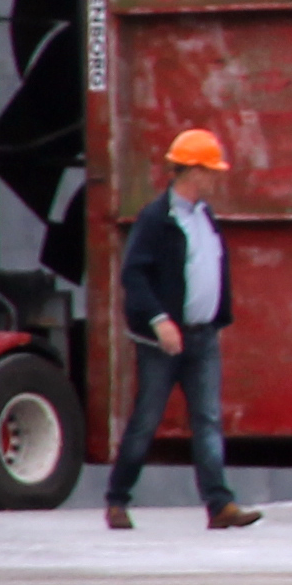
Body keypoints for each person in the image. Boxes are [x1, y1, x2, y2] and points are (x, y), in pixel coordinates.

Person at [103, 129, 261, 531]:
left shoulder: (204, 217)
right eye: (210, 171)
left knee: (208, 420)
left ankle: (219, 505)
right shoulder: (157, 219)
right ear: (191, 172)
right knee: (146, 420)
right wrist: (160, 321)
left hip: (203, 336)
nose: (215, 180)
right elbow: (134, 276)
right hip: (163, 340)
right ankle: (117, 500)